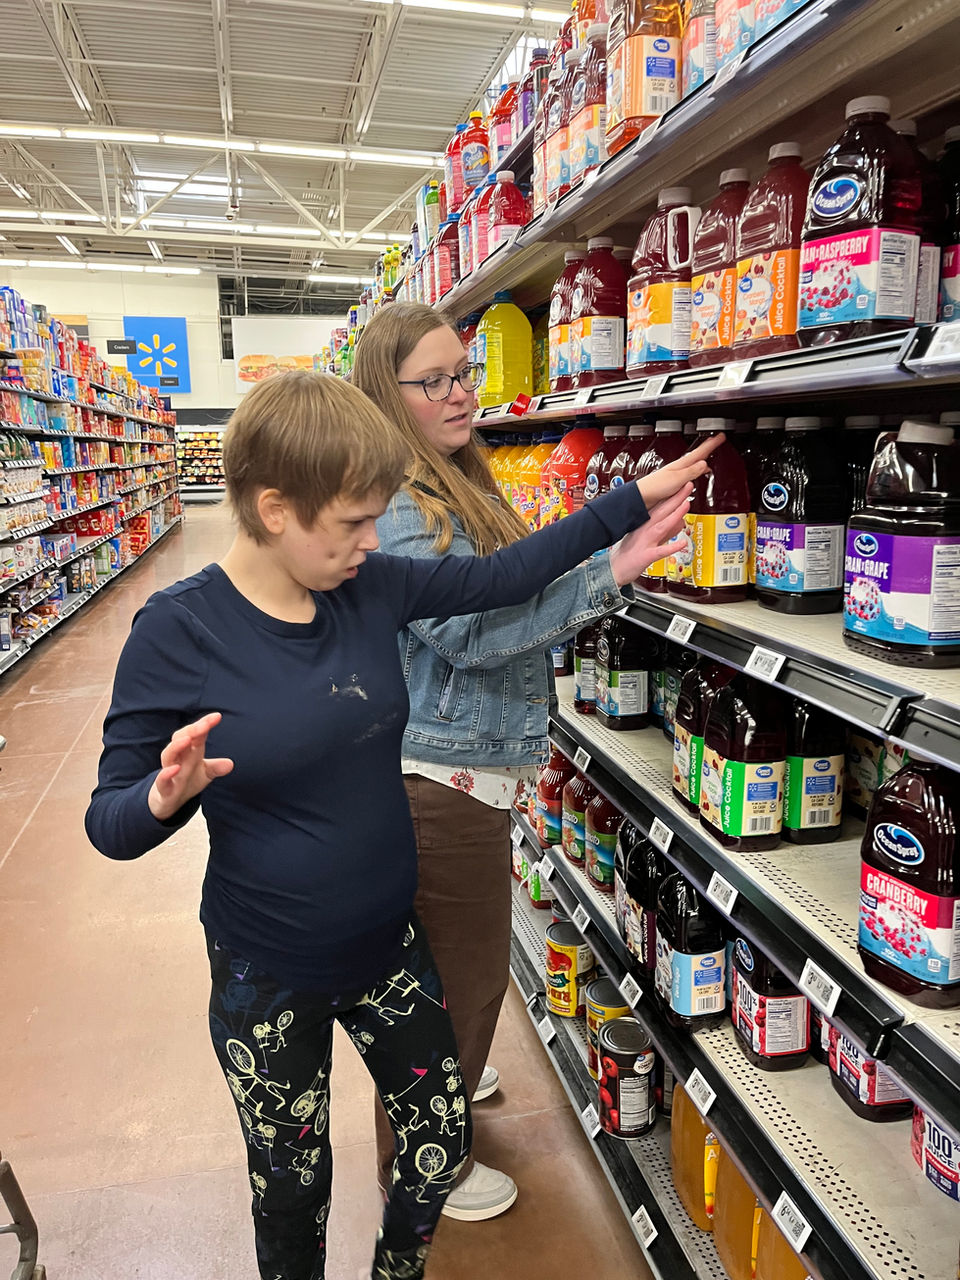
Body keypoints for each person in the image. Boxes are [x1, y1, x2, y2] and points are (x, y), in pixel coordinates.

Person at [84, 370, 715, 1280]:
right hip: (270, 972)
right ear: (272, 508)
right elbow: (108, 822)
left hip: (388, 947)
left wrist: (631, 502)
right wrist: (159, 799)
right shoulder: (179, 630)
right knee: (292, 1188)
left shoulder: (366, 588)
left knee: (435, 1144)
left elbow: (502, 575)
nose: (372, 542)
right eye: (350, 522)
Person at [352, 302, 668, 1221]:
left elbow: (513, 581)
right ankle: (425, 1164)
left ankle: (440, 1083)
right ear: (387, 392)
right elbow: (475, 633)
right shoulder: (400, 500)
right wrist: (609, 571)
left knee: (443, 974)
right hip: (436, 779)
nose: (460, 394)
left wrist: (601, 564)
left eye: (465, 372)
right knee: (461, 976)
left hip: (459, 769)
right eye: (434, 381)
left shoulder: (454, 475)